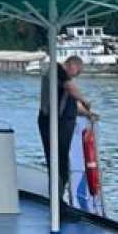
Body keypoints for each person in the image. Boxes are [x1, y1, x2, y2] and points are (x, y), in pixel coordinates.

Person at [37, 54, 92, 206]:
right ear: (72, 65)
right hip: (52, 124)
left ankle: (59, 200)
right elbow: (71, 89)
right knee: (57, 162)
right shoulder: (57, 70)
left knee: (62, 163)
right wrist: (86, 100)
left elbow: (72, 101)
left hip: (60, 124)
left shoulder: (63, 79)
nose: (77, 76)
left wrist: (88, 114)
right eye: (77, 72)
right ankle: (57, 203)